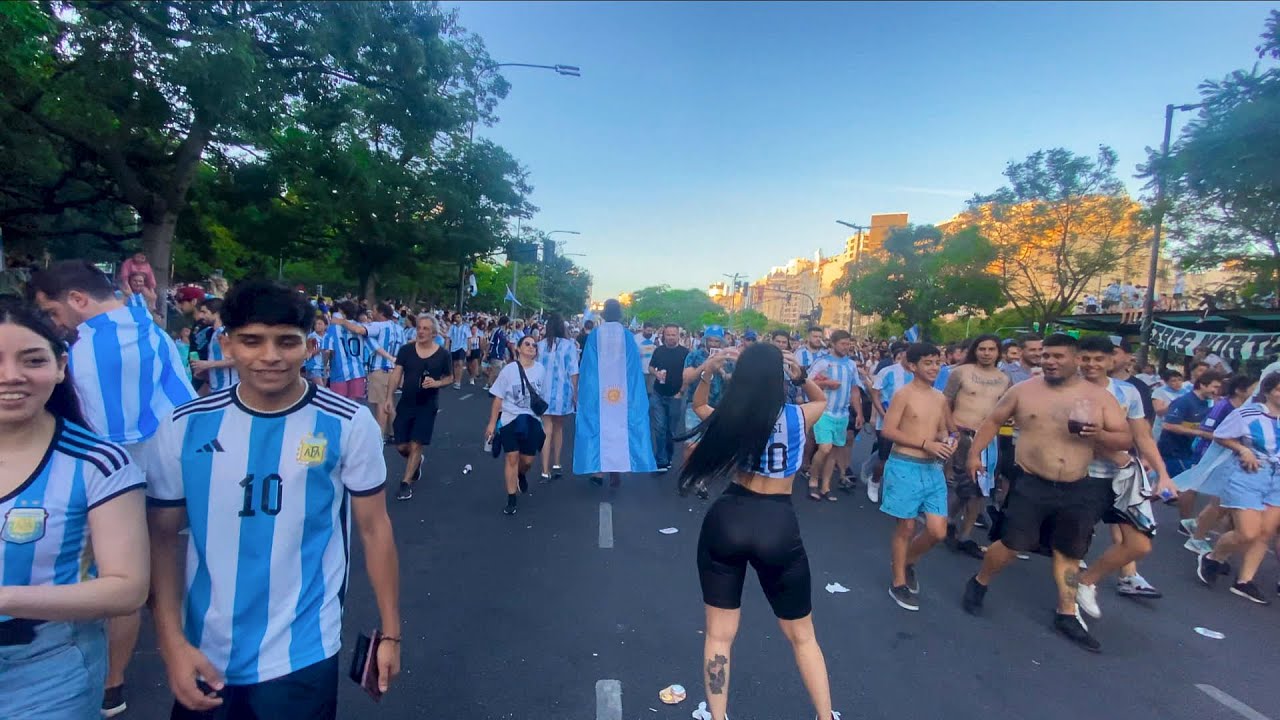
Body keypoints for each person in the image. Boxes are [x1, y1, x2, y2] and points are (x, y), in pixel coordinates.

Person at [146, 279, 401, 718]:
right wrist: (171, 644)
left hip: (303, 649)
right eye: (251, 341)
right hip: (205, 647)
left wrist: (392, 633)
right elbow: (161, 539)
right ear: (226, 343)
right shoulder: (183, 425)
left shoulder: (349, 423)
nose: (269, 356)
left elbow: (374, 528)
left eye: (287, 341)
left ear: (308, 346)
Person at [29, 259, 197, 717]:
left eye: (51, 311)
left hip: (118, 479)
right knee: (136, 572)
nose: (53, 323)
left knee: (112, 577)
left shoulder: (90, 348)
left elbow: (101, 435)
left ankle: (104, 679)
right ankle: (113, 681)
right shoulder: (148, 327)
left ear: (78, 300)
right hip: (171, 471)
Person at [0, 300, 150, 720]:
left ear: (61, 366)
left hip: (45, 670)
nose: (11, 376)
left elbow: (127, 588)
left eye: (32, 360)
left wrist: (7, 599)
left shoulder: (98, 463)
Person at [678, 343, 838, 720]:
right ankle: (825, 715)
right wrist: (801, 376)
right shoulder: (800, 416)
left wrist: (708, 371)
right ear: (778, 378)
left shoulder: (732, 417)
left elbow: (699, 407)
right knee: (803, 635)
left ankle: (717, 716)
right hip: (777, 524)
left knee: (719, 634)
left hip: (728, 517)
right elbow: (822, 402)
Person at [961, 333, 1133, 652]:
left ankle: (1066, 613)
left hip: (1077, 485)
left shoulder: (1098, 397)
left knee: (1070, 552)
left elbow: (1124, 439)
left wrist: (1101, 434)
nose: (1050, 361)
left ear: (1075, 359)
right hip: (1031, 482)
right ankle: (980, 581)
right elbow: (993, 421)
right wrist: (974, 455)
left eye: (1058, 356)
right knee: (1012, 545)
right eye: (1046, 356)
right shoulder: (1024, 391)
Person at [1072, 337, 1179, 618]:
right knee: (1074, 543)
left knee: (1139, 543)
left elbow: (1142, 436)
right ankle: (1066, 608)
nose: (1091, 364)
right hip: (1082, 475)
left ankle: (1086, 582)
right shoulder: (1069, 390)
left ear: (1112, 360)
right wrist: (1114, 454)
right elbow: (1072, 435)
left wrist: (1163, 474)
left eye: (1098, 359)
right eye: (1086, 358)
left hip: (1122, 478)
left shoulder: (1128, 392)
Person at [1194, 372, 1280, 604]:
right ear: (1269, 391)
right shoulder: (1249, 413)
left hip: (1278, 479)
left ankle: (1244, 581)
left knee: (1265, 532)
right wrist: (1243, 450)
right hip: (1249, 474)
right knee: (1248, 532)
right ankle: (1213, 557)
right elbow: (1220, 435)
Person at [879, 343, 954, 611]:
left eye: (937, 362)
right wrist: (925, 443)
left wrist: (947, 440)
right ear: (912, 366)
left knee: (937, 531)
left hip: (932, 470)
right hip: (904, 466)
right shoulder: (904, 394)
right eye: (928, 363)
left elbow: (945, 429)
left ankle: (908, 560)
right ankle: (898, 581)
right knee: (907, 527)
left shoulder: (940, 397)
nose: (934, 367)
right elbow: (888, 430)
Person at [574, 299, 657, 487]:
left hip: (599, 393)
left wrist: (585, 391)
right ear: (619, 314)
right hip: (622, 392)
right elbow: (634, 368)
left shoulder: (595, 335)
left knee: (598, 427)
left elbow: (587, 366)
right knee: (620, 428)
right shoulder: (627, 336)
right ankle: (616, 469)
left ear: (604, 314)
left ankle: (598, 470)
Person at [942, 334, 1010, 558]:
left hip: (989, 441)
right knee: (965, 486)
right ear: (975, 350)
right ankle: (949, 521)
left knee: (981, 490)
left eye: (991, 349)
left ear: (998, 352)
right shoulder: (960, 372)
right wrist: (950, 430)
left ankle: (965, 535)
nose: (987, 353)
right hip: (962, 435)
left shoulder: (1005, 379)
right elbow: (945, 402)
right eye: (982, 349)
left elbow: (1008, 411)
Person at [384, 314, 452, 501]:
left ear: (434, 333)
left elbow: (450, 377)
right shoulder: (406, 350)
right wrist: (389, 397)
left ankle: (406, 483)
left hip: (427, 405)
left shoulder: (442, 355)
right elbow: (396, 374)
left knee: (416, 443)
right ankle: (417, 462)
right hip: (406, 402)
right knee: (401, 446)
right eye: (419, 328)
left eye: (425, 329)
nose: (421, 331)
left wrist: (436, 383)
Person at [486, 335, 547, 515]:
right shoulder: (509, 370)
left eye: (534, 345)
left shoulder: (541, 370)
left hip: (531, 419)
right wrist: (491, 423)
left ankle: (521, 474)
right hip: (509, 418)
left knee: (527, 461)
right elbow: (498, 397)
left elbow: (542, 396)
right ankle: (511, 498)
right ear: (518, 348)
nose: (531, 347)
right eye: (526, 344)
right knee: (511, 457)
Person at [807, 330, 865, 501]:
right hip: (824, 411)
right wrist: (825, 383)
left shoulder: (851, 365)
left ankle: (825, 486)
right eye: (843, 344)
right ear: (832, 343)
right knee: (825, 448)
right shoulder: (823, 362)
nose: (846, 347)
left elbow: (855, 390)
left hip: (843, 413)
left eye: (848, 344)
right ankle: (813, 479)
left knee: (834, 451)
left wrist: (859, 413)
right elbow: (807, 383)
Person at [330, 303, 399, 437]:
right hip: (372, 370)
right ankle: (395, 432)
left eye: (374, 310)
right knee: (386, 401)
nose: (371, 314)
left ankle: (379, 437)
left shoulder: (376, 326)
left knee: (379, 404)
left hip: (374, 368)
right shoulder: (397, 328)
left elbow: (360, 331)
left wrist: (341, 321)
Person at [536, 314, 580, 481]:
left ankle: (545, 469)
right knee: (558, 429)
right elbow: (573, 372)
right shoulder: (569, 346)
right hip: (563, 393)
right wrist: (575, 393)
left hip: (543, 393)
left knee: (546, 429)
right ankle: (557, 463)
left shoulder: (540, 346)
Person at [867, 341, 911, 502]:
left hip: (909, 425)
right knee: (885, 458)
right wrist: (880, 413)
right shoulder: (887, 372)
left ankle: (895, 489)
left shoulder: (918, 374)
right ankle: (875, 480)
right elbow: (875, 394)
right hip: (886, 422)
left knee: (903, 458)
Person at [648, 324, 690, 473]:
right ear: (663, 336)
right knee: (659, 428)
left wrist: (681, 391)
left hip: (676, 396)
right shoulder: (658, 351)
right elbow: (651, 367)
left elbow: (689, 375)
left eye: (674, 335)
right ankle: (661, 460)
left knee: (670, 431)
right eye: (668, 335)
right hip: (658, 393)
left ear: (679, 336)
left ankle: (668, 455)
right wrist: (656, 373)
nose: (671, 337)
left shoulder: (685, 353)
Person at [321, 301, 369, 401]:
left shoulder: (333, 327)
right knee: (353, 405)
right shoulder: (360, 327)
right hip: (358, 371)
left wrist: (325, 365)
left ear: (341, 311)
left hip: (339, 371)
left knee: (339, 405)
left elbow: (327, 351)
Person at [447, 312, 471, 389]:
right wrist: (447, 347)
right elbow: (448, 337)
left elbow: (469, 338)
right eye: (456, 317)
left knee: (460, 363)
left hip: (462, 347)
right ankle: (455, 378)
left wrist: (469, 349)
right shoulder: (452, 327)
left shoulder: (465, 327)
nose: (457, 319)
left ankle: (458, 381)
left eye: (459, 317)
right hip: (454, 347)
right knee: (455, 364)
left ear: (461, 318)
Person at [304, 315, 328, 385]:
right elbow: (308, 354)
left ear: (325, 326)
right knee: (321, 389)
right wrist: (320, 349)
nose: (317, 326)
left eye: (320, 324)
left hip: (325, 367)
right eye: (315, 324)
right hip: (314, 367)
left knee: (324, 391)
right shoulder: (311, 337)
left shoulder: (328, 336)